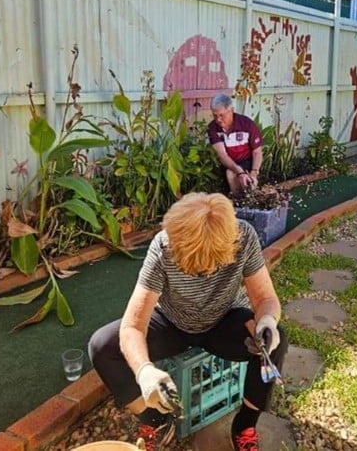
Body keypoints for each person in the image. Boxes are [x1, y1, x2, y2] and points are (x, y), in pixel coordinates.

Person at [88, 192, 288, 451]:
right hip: (172, 322)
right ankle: (156, 420)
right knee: (102, 346)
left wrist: (267, 322)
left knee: (275, 343)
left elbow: (264, 298)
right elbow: (133, 326)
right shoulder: (163, 246)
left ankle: (245, 425)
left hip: (224, 319)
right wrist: (144, 371)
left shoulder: (244, 236)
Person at [208, 93, 264, 195]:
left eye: (221, 115)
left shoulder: (247, 124)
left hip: (248, 161)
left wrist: (254, 172)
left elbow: (257, 152)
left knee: (244, 179)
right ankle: (238, 202)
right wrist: (240, 172)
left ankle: (245, 200)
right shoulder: (212, 128)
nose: (218, 119)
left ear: (231, 111)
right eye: (215, 115)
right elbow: (222, 155)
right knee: (230, 173)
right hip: (228, 164)